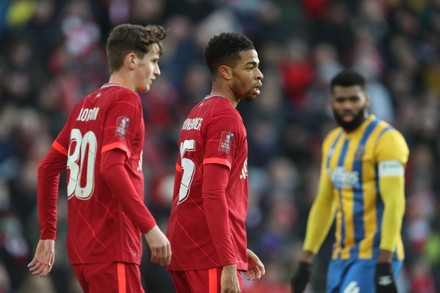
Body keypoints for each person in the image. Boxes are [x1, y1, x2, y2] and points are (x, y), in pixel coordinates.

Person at [27, 24, 172, 292]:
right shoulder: (126, 101)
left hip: (83, 251)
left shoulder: (84, 105)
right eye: (153, 61)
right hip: (112, 246)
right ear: (131, 61)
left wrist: (48, 235)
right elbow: (112, 167)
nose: (157, 71)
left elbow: (47, 169)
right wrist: (150, 228)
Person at [290, 70, 409, 293]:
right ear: (331, 102)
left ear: (366, 99)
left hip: (375, 255)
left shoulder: (387, 140)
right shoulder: (332, 142)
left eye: (354, 99)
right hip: (341, 257)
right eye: (341, 100)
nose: (347, 106)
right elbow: (325, 203)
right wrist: (306, 259)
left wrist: (384, 261)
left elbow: (395, 202)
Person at [166, 32, 266, 292]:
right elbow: (212, 192)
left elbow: (198, 190)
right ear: (226, 72)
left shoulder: (197, 112)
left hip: (187, 247)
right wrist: (228, 261)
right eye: (250, 67)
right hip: (208, 254)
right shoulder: (225, 117)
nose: (260, 74)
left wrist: (236, 248)